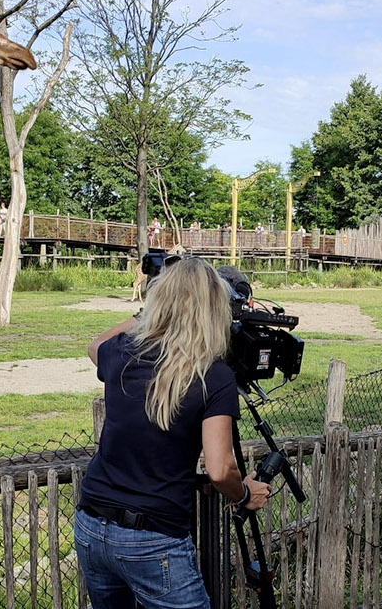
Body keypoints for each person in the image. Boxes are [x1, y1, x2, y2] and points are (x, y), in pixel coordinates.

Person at [77, 256, 269, 608]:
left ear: (158, 299)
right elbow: (220, 468)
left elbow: (95, 346)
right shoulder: (212, 375)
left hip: (92, 524)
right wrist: (243, 494)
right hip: (154, 538)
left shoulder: (124, 352)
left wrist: (145, 317)